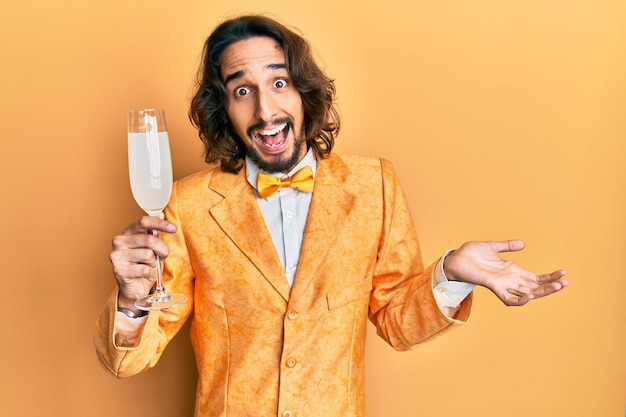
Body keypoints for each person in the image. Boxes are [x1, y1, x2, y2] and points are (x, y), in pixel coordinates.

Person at [94, 14, 568, 417]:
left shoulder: (373, 186)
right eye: (243, 91)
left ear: (303, 91)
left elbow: (398, 325)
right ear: (225, 109)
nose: (266, 109)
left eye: (279, 83)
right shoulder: (189, 205)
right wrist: (133, 300)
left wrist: (453, 273)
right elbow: (126, 363)